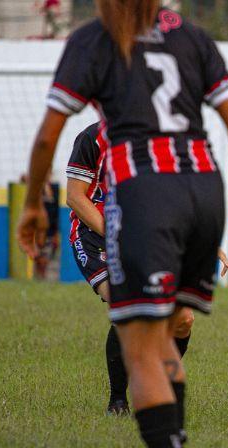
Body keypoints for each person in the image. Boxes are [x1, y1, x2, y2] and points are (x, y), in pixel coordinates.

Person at [16, 2, 228, 448]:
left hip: (145, 196)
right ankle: (151, 419)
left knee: (147, 339)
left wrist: (32, 203)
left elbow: (46, 135)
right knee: (166, 325)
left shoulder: (94, 38)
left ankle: (162, 434)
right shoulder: (193, 36)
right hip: (204, 189)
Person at [65, 122, 200, 416]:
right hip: (94, 236)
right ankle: (118, 401)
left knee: (183, 319)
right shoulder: (92, 138)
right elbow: (75, 197)